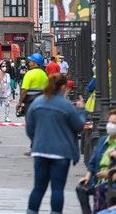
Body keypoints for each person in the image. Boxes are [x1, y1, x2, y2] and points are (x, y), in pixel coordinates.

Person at [26, 74, 86, 214]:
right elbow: (78, 126)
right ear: (64, 87)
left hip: (40, 150)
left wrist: (36, 141)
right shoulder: (66, 106)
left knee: (38, 188)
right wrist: (81, 110)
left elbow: (29, 127)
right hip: (61, 152)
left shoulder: (37, 103)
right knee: (57, 189)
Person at [77, 109, 116, 214]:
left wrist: (105, 176)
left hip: (112, 182)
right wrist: (87, 177)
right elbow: (92, 162)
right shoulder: (103, 140)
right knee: (81, 188)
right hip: (97, 180)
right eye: (109, 122)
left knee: (102, 189)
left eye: (113, 123)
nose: (110, 125)